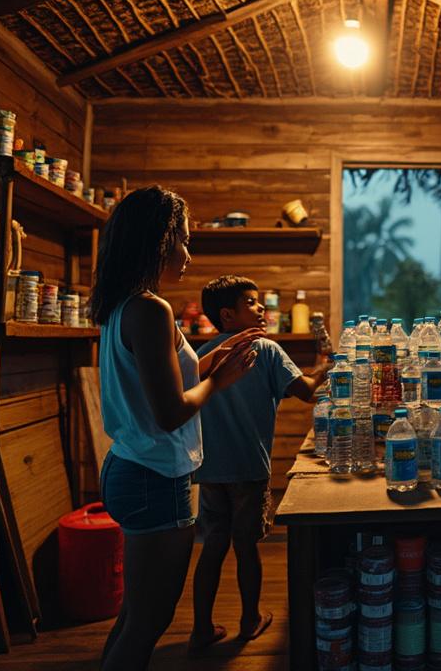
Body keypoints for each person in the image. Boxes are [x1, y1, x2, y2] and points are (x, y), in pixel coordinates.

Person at [91, 186, 264, 671]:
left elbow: (165, 382)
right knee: (150, 620)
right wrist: (222, 382)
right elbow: (170, 411)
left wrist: (214, 360)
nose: (189, 254)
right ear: (159, 241)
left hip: (130, 466)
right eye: (184, 240)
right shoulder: (151, 309)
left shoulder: (123, 305)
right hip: (153, 478)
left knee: (134, 613)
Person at [188, 276, 332, 654]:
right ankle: (249, 619)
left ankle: (200, 628)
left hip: (210, 469)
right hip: (250, 468)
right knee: (247, 545)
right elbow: (305, 392)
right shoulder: (266, 348)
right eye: (251, 303)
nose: (261, 308)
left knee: (213, 546)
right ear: (227, 314)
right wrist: (327, 369)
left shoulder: (202, 352)